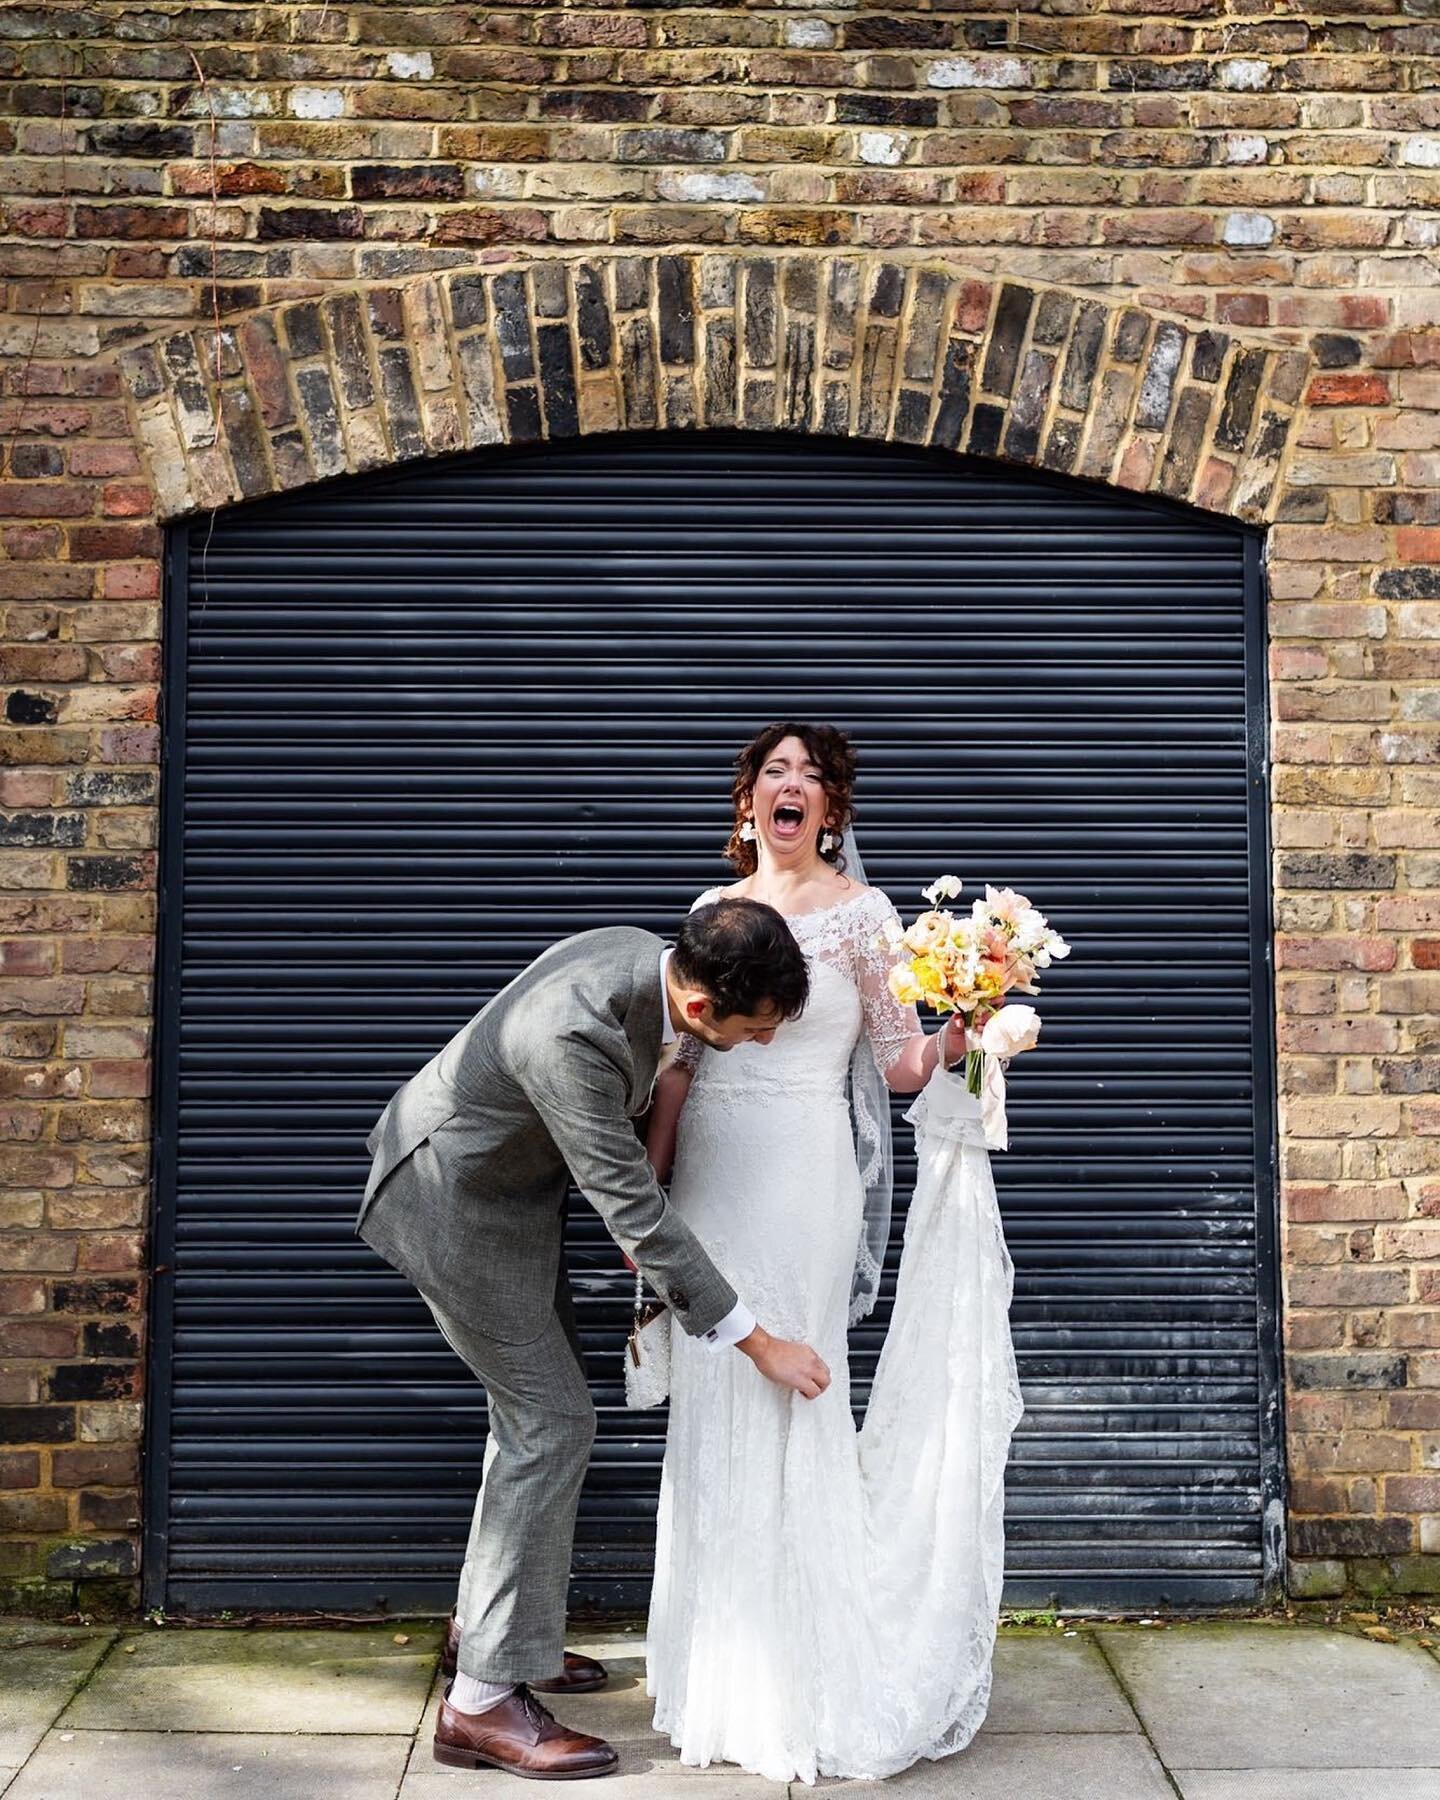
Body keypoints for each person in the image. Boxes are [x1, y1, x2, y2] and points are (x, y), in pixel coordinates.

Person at [358, 899, 823, 1780]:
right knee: (552, 1425)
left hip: (507, 1206)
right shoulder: (572, 1040)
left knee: (537, 1422)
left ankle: (495, 1637)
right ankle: (481, 1705)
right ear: (700, 1009)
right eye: (756, 1030)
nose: (763, 1044)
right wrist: (760, 1343)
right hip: (453, 1209)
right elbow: (637, 1219)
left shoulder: (642, 956)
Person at [644, 722, 1024, 1784]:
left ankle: (806, 1679)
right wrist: (654, 1201)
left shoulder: (863, 918)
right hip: (712, 1169)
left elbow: (898, 1065)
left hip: (808, 1173)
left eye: (811, 776)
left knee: (791, 1382)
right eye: (775, 772)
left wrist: (969, 1028)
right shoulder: (708, 918)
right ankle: (718, 1673)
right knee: (715, 1384)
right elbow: (677, 1063)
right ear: (747, 802)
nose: (792, 786)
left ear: (833, 810)